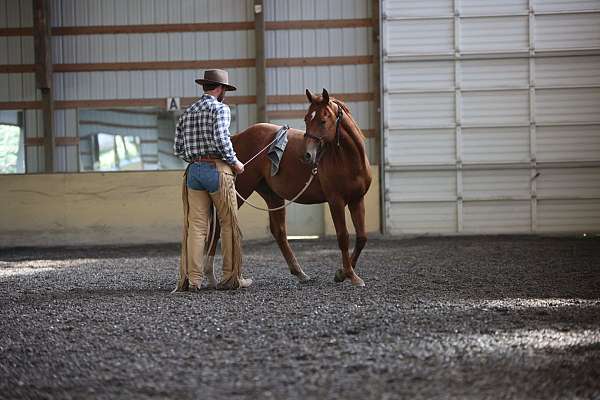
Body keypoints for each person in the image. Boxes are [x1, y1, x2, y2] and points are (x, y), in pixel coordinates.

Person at [173, 69, 252, 292]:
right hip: (217, 170)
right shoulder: (220, 108)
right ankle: (230, 278)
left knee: (197, 228)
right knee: (228, 224)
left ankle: (194, 280)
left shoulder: (187, 112)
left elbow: (177, 148)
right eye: (224, 89)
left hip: (194, 172)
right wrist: (235, 162)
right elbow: (220, 138)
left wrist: (195, 158)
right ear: (220, 89)